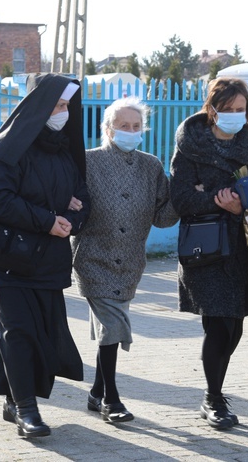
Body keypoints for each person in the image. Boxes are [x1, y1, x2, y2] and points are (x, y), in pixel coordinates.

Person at [0, 74, 90, 438]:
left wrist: (70, 219)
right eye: (57, 105)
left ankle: (13, 400)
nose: (63, 113)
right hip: (6, 259)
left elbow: (83, 199)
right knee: (15, 332)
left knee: (41, 335)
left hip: (48, 259)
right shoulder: (6, 147)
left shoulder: (65, 150)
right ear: (37, 107)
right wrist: (51, 217)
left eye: (66, 106)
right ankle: (27, 410)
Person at [169, 77, 248, 429]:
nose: (233, 115)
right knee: (219, 323)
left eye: (239, 110)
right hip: (206, 247)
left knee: (234, 327)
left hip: (243, 246)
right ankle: (213, 399)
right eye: (226, 109)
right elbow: (181, 198)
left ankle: (216, 390)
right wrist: (219, 200)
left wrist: (240, 202)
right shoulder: (190, 143)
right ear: (211, 110)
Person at [71, 97, 179, 423]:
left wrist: (183, 194)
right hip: (92, 257)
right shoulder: (87, 162)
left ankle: (95, 392)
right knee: (114, 324)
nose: (130, 131)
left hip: (130, 261)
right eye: (123, 126)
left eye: (136, 126)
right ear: (108, 129)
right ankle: (110, 399)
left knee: (110, 328)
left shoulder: (151, 166)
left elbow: (162, 217)